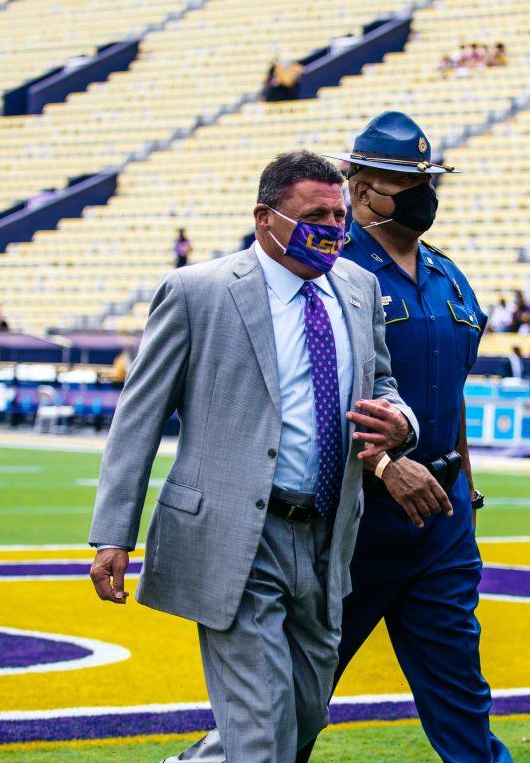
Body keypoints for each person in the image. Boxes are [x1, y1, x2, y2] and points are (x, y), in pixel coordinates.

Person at [88, 150, 416, 763]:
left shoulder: (359, 288)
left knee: (304, 713)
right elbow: (139, 415)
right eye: (316, 214)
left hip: (325, 536)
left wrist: (401, 421)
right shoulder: (197, 291)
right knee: (261, 729)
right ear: (265, 218)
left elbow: (383, 387)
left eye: (340, 215)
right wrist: (113, 532)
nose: (335, 229)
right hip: (237, 532)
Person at [301, 112, 509, 763]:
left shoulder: (450, 277)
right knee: (297, 692)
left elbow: (455, 400)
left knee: (464, 701)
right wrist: (386, 462)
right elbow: (310, 397)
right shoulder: (327, 273)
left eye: (427, 180)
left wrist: (466, 492)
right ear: (359, 188)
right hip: (351, 520)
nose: (423, 195)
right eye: (402, 181)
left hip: (440, 521)